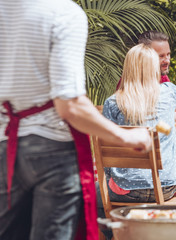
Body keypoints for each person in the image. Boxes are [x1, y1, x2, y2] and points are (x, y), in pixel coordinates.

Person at [0, 1, 152, 240]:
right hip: (52, 149)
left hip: (5, 144)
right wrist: (127, 136)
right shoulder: (62, 12)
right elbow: (69, 105)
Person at [98, 43, 176, 239]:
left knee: (92, 197)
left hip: (125, 190)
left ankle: (118, 236)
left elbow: (107, 149)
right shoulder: (167, 91)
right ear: (153, 68)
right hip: (165, 187)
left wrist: (114, 180)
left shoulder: (113, 102)